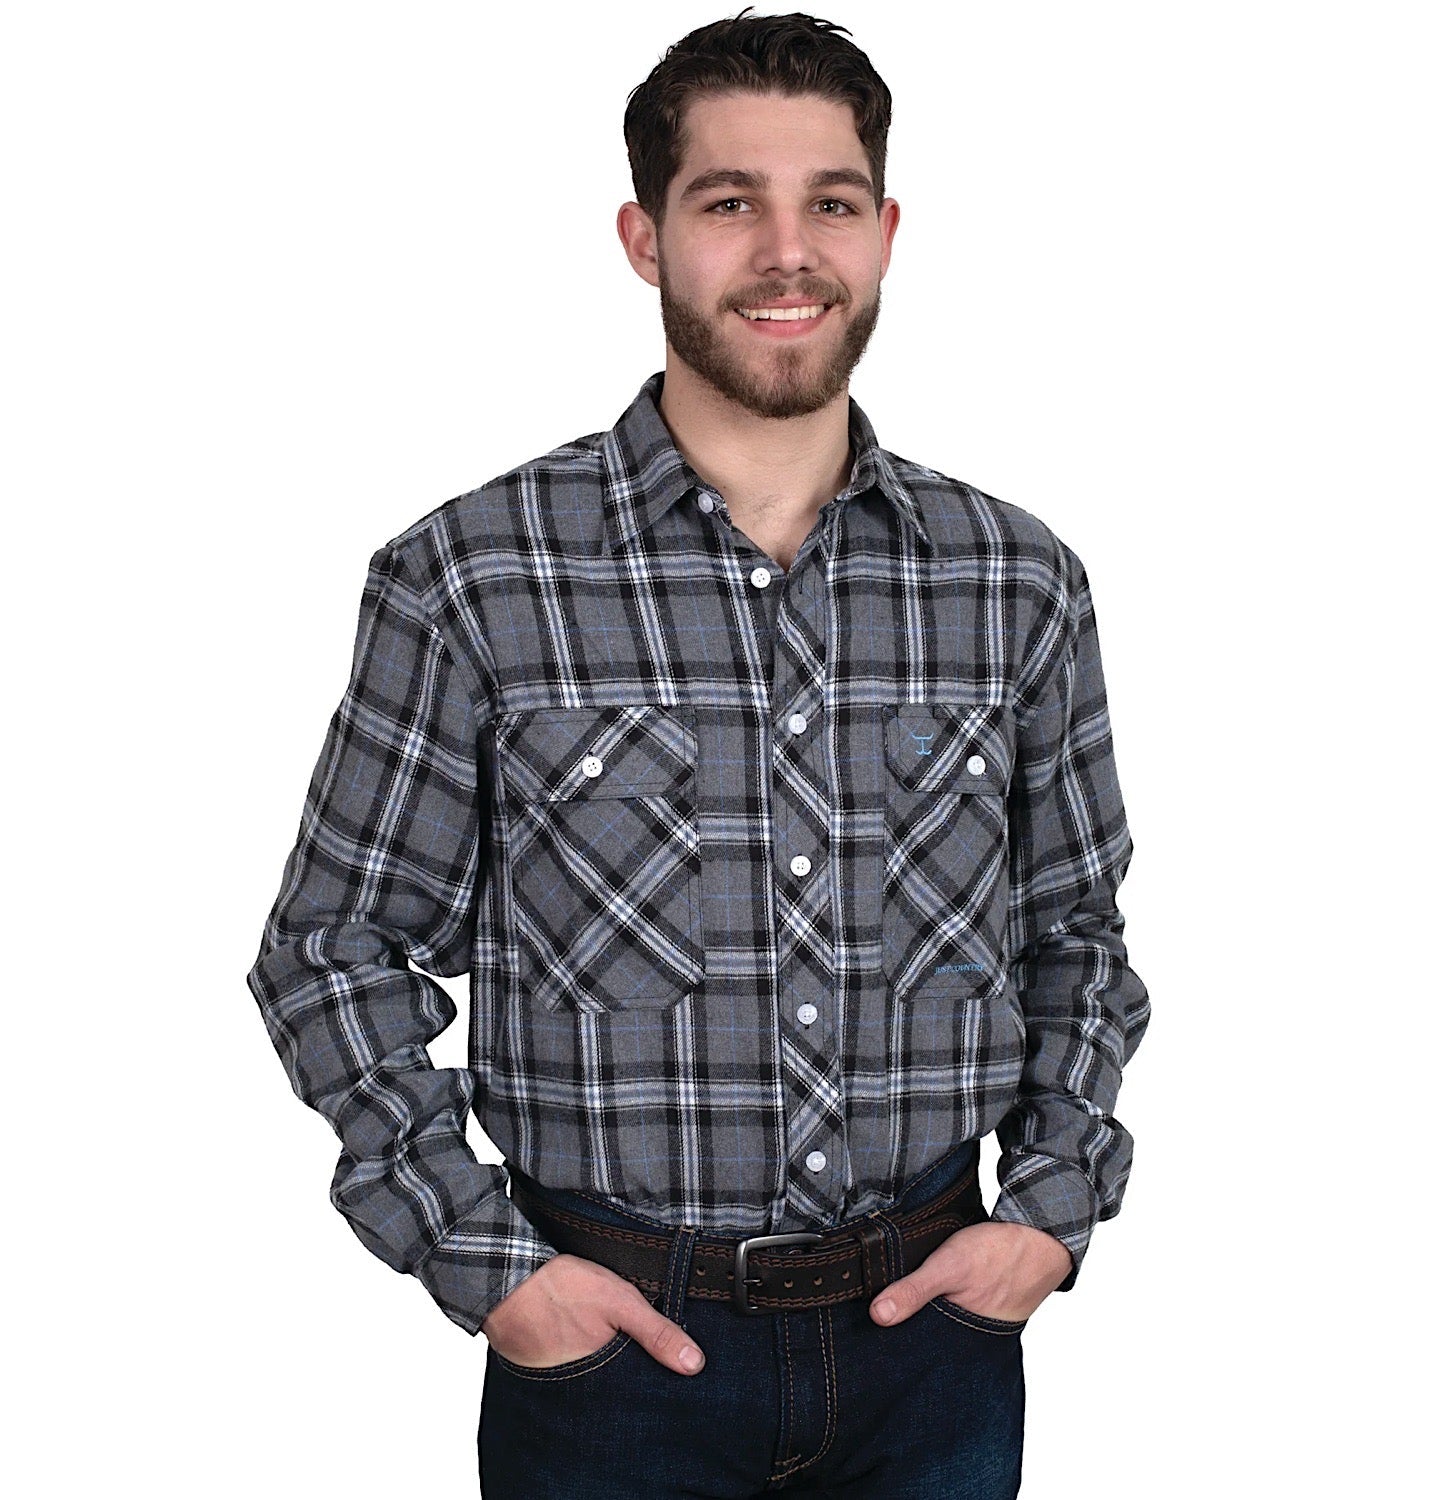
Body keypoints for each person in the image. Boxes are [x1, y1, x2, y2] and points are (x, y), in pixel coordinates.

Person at [247, 11, 1149, 1497]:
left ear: (886, 233)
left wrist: (1047, 1215)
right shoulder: (473, 577)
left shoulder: (1015, 582)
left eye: (831, 203)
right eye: (730, 202)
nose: (788, 253)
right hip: (609, 1365)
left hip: (937, 1354)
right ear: (645, 237)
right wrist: (489, 1267)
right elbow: (330, 950)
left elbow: (1076, 940)